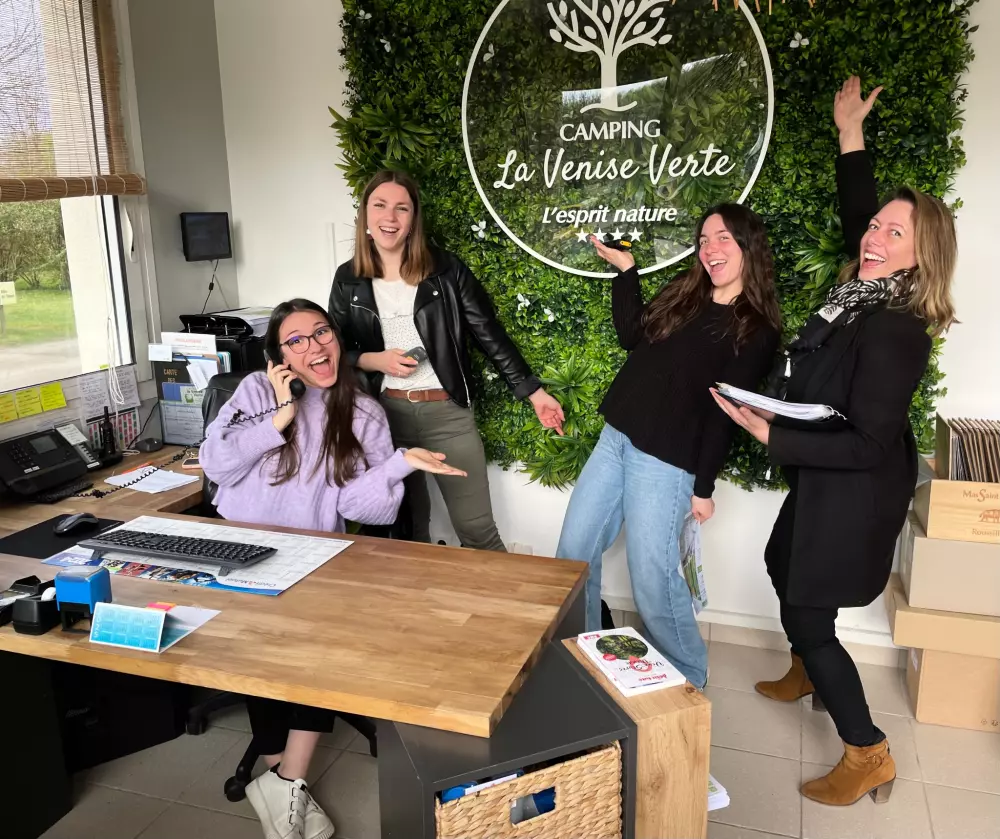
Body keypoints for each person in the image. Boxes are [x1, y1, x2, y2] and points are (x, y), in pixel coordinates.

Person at [712, 77, 957, 807]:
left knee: (810, 613)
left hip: (857, 482)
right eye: (874, 228)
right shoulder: (866, 289)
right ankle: (807, 670)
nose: (874, 238)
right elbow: (862, 219)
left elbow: (869, 444)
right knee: (779, 559)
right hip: (827, 468)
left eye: (894, 234)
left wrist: (772, 432)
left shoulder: (896, 329)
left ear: (922, 256)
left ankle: (867, 750)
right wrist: (850, 134)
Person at [201, 298, 465, 839]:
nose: (314, 346)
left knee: (315, 660)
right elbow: (216, 464)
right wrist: (280, 417)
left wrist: (398, 466)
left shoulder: (363, 413)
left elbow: (363, 508)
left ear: (337, 341)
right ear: (280, 357)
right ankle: (284, 782)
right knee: (255, 662)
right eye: (296, 340)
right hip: (242, 547)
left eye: (321, 332)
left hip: (312, 553)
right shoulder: (254, 392)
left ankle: (285, 781)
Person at [556, 209, 782, 690]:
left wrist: (703, 489)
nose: (710, 249)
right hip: (616, 438)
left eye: (723, 238)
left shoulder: (757, 330)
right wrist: (626, 271)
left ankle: (690, 681)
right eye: (704, 240)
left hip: (666, 461)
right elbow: (630, 336)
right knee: (573, 554)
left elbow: (725, 415)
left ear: (749, 246)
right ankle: (582, 663)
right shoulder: (685, 293)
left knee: (652, 579)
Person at [329, 169, 564, 552]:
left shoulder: (445, 270)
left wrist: (533, 392)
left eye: (402, 208)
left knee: (478, 532)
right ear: (365, 215)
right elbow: (333, 351)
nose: (390, 217)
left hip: (447, 417)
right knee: (408, 534)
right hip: (385, 420)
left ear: (413, 218)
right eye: (380, 205)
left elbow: (488, 334)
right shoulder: (348, 279)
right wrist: (374, 360)